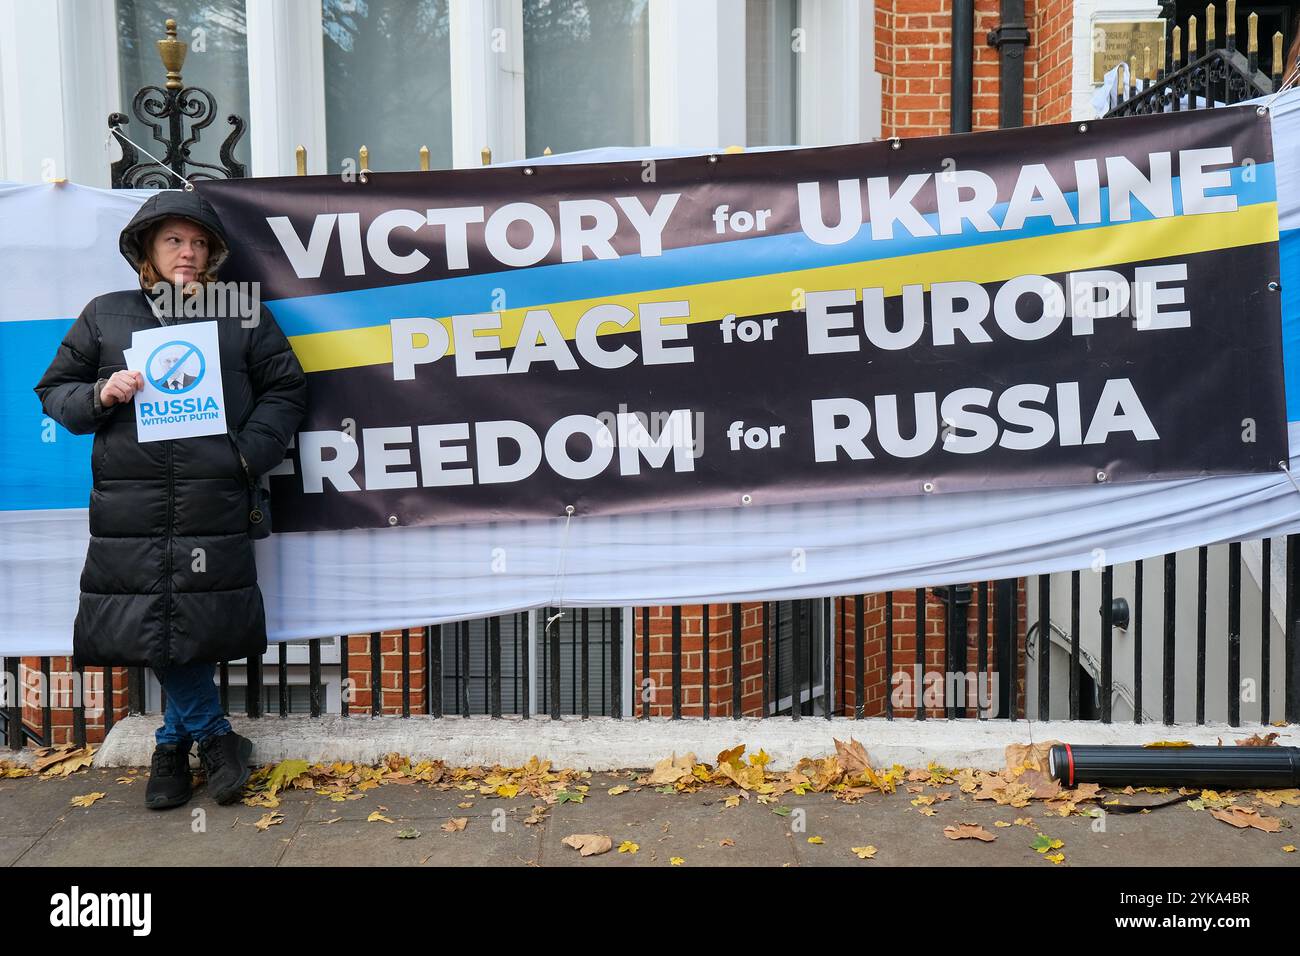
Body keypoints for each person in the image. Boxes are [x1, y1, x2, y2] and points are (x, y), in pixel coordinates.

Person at [33, 188, 307, 810]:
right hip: (129, 503)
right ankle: (213, 737)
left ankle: (171, 745)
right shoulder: (106, 313)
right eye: (174, 240)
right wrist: (101, 393)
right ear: (147, 251)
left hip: (214, 495)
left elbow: (287, 389)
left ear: (213, 254)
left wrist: (246, 454)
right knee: (150, 618)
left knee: (193, 618)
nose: (188, 252)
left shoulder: (241, 314)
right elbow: (54, 393)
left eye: (199, 242)